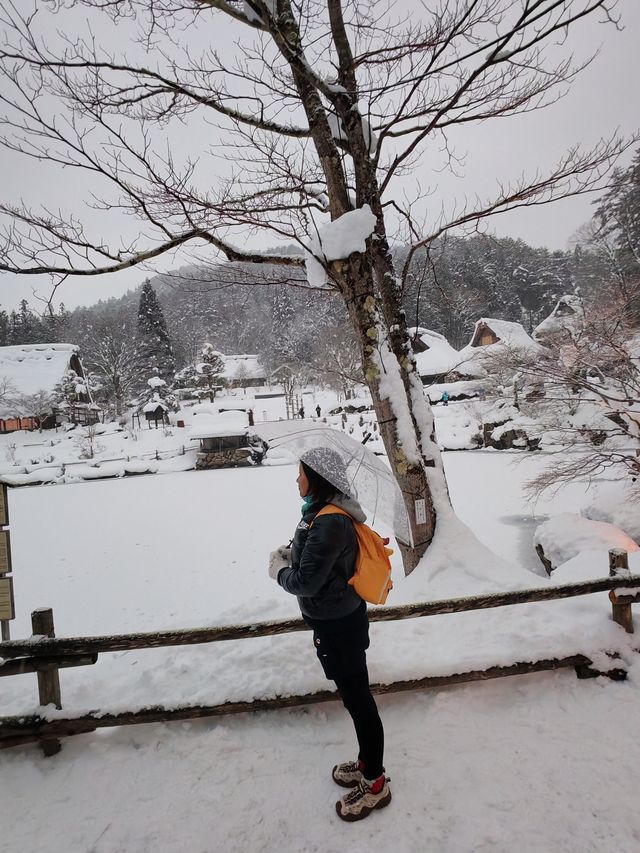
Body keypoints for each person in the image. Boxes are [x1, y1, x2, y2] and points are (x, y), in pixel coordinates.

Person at [268, 448, 391, 822]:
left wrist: (278, 570)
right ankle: (366, 762)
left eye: (301, 473)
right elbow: (323, 562)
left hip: (338, 624)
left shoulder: (327, 521)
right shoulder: (321, 514)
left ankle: (374, 783)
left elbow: (306, 582)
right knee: (356, 696)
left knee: (358, 701)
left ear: (317, 477)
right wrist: (293, 552)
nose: (296, 479)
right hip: (340, 618)